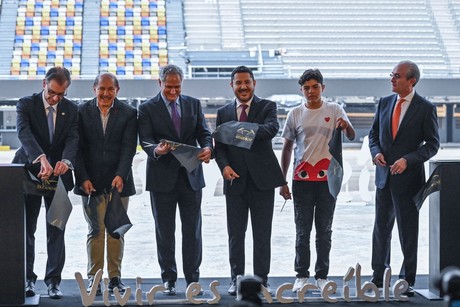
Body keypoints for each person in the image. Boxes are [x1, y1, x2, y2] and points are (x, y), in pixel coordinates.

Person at [138, 64, 212, 295]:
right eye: (169, 87)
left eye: (177, 87)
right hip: (162, 178)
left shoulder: (193, 103)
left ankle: (193, 279)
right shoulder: (147, 108)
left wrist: (208, 148)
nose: (173, 91)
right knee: (165, 231)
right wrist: (157, 151)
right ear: (160, 83)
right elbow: (145, 140)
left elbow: (204, 133)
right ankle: (169, 278)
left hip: (191, 177)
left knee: (193, 231)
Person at [279, 69, 355, 293]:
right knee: (302, 230)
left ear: (323, 87)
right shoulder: (295, 113)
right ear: (301, 90)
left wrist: (345, 125)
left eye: (315, 87)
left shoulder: (335, 109)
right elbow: (287, 148)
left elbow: (351, 135)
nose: (311, 92)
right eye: (306, 88)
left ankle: (322, 274)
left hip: (327, 180)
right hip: (301, 180)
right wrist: (282, 180)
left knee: (325, 230)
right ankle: (301, 274)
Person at [368, 60, 440, 296]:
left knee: (407, 232)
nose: (392, 79)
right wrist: (376, 152)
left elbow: (432, 145)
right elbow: (373, 135)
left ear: (412, 81)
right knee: (381, 228)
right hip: (383, 178)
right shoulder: (384, 102)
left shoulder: (426, 108)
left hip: (409, 181)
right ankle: (378, 276)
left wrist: (408, 159)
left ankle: (406, 280)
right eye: (392, 75)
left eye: (397, 76)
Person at [214, 65, 285, 295]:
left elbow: (270, 130)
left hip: (262, 181)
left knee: (262, 234)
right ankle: (236, 279)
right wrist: (223, 166)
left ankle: (261, 280)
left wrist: (235, 131)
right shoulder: (223, 112)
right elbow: (220, 146)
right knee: (235, 234)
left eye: (247, 82)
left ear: (254, 83)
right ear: (231, 85)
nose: (243, 87)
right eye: (238, 83)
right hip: (234, 182)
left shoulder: (267, 106)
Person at [13, 66, 78, 299]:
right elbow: (24, 133)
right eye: (51, 92)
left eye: (61, 94)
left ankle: (53, 282)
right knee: (27, 229)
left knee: (56, 228)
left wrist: (67, 161)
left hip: (58, 177)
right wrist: (40, 158)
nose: (55, 98)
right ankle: (28, 280)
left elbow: (73, 137)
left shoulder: (71, 109)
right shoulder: (25, 104)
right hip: (29, 173)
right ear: (44, 84)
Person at [74, 73, 137, 294]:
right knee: (95, 229)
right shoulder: (80, 112)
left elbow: (129, 148)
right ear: (94, 89)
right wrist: (82, 178)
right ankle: (95, 278)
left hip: (119, 183)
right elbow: (77, 149)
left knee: (116, 230)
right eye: (102, 89)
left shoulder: (129, 113)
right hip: (90, 183)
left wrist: (121, 174)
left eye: (110, 89)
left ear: (117, 90)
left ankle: (115, 278)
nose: (106, 93)